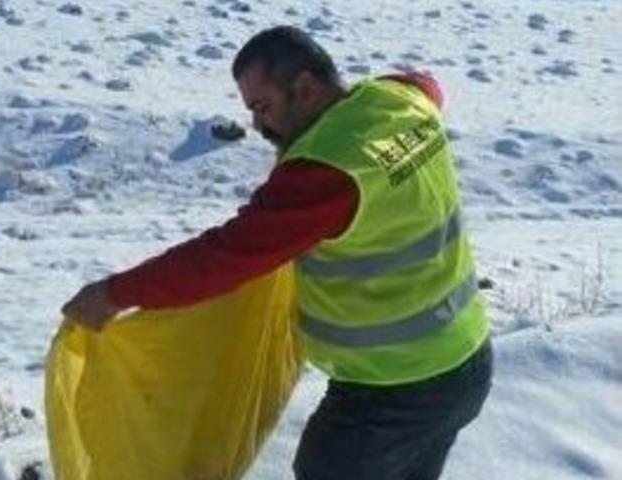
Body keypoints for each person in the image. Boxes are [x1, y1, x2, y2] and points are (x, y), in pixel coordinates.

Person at [62, 25, 493, 480]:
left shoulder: (323, 176)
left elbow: (224, 256)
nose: (258, 125)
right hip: (465, 359)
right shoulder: (401, 101)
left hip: (393, 390)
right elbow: (426, 83)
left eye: (263, 107)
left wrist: (114, 292)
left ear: (305, 88)